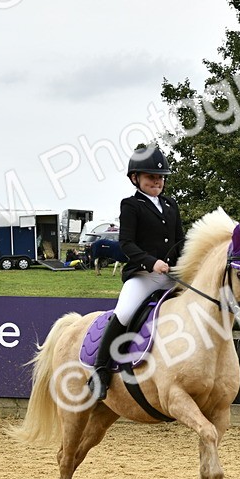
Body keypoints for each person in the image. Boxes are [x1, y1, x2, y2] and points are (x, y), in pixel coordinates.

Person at [90, 145, 185, 400]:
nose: (157, 181)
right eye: (151, 177)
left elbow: (180, 242)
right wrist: (151, 262)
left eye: (161, 177)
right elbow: (127, 244)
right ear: (136, 178)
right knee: (124, 312)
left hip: (170, 276)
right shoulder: (131, 205)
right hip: (143, 276)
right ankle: (100, 370)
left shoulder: (171, 205)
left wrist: (185, 265)